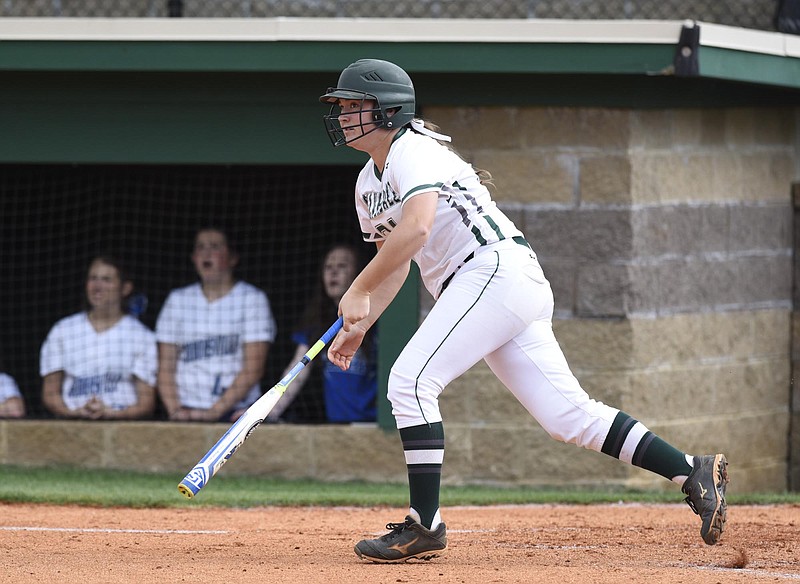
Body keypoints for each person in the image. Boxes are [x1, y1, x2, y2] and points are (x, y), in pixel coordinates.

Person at [319, 59, 729, 563]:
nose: (342, 115)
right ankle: (693, 470)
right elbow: (399, 264)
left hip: (492, 271)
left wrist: (358, 288)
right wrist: (363, 322)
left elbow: (419, 229)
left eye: (352, 106)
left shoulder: (414, 148)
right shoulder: (367, 184)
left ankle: (424, 524)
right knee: (568, 416)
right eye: (340, 107)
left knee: (410, 382)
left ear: (386, 111)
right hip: (494, 283)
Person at [156, 227, 276, 422]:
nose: (206, 253)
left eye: (214, 247)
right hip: (186, 412)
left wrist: (213, 413)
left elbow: (254, 367)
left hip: (237, 414)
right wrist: (175, 411)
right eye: (200, 247)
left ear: (232, 258)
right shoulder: (177, 300)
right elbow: (165, 367)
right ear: (193, 257)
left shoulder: (252, 299)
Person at [268, 243, 377, 424]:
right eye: (328, 267)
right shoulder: (317, 323)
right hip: (335, 424)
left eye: (342, 266)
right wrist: (269, 411)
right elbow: (298, 370)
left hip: (373, 425)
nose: (333, 272)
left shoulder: (376, 320)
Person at [40, 256, 157, 420]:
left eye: (106, 280)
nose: (97, 286)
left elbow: (146, 403)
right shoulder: (63, 329)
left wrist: (112, 413)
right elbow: (50, 393)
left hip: (122, 429)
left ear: (125, 288)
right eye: (93, 278)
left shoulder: (142, 336)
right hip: (71, 426)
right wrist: (75, 413)